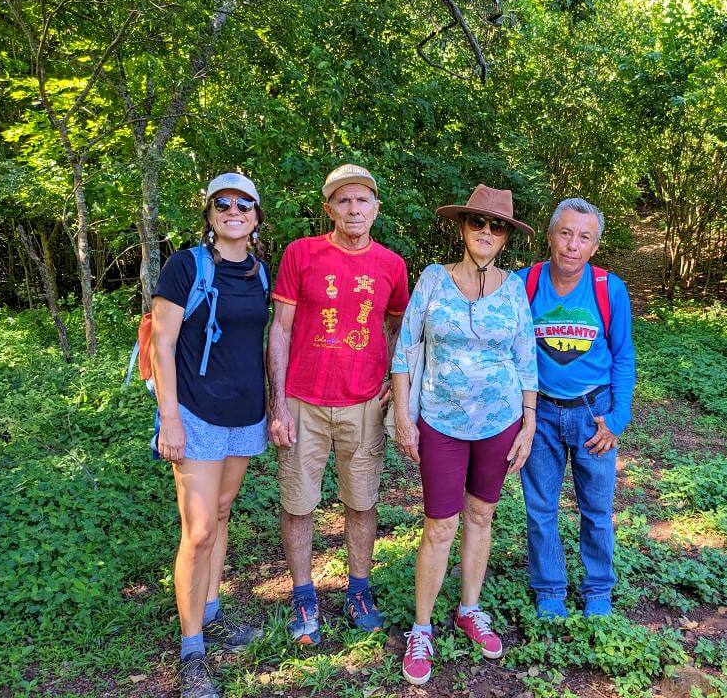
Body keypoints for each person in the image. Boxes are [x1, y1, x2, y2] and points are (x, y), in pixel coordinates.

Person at [392, 184, 538, 686]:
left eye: (497, 227)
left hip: (500, 424)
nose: (486, 233)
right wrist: (402, 417)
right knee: (440, 525)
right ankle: (422, 626)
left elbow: (526, 357)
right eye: (478, 223)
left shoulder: (515, 288)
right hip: (441, 423)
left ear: (505, 239)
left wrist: (529, 421)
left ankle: (469, 609)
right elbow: (405, 348)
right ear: (462, 228)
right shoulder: (433, 279)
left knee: (481, 514)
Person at [267, 164, 409, 645]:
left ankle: (359, 590)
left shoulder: (391, 265)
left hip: (365, 402)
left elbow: (398, 332)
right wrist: (278, 404)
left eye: (362, 200)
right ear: (328, 207)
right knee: (298, 503)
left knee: (362, 501)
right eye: (343, 201)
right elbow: (280, 329)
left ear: (376, 209)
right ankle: (304, 595)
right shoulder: (301, 254)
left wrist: (398, 385)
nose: (353, 209)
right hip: (303, 401)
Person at [151, 172, 270, 698]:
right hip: (195, 414)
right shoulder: (185, 267)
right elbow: (161, 344)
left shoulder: (260, 273)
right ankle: (191, 647)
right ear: (209, 214)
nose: (233, 210)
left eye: (244, 204)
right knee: (197, 531)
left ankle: (211, 610)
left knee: (222, 514)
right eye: (222, 203)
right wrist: (170, 418)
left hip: (245, 414)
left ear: (256, 218)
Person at [515, 198, 636, 620]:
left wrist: (617, 419)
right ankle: (549, 590)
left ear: (595, 246)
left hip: (593, 414)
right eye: (565, 233)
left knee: (597, 510)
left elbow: (622, 356)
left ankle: (598, 588)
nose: (572, 244)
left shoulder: (608, 288)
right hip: (541, 414)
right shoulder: (523, 284)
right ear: (549, 237)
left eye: (584, 237)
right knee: (541, 507)